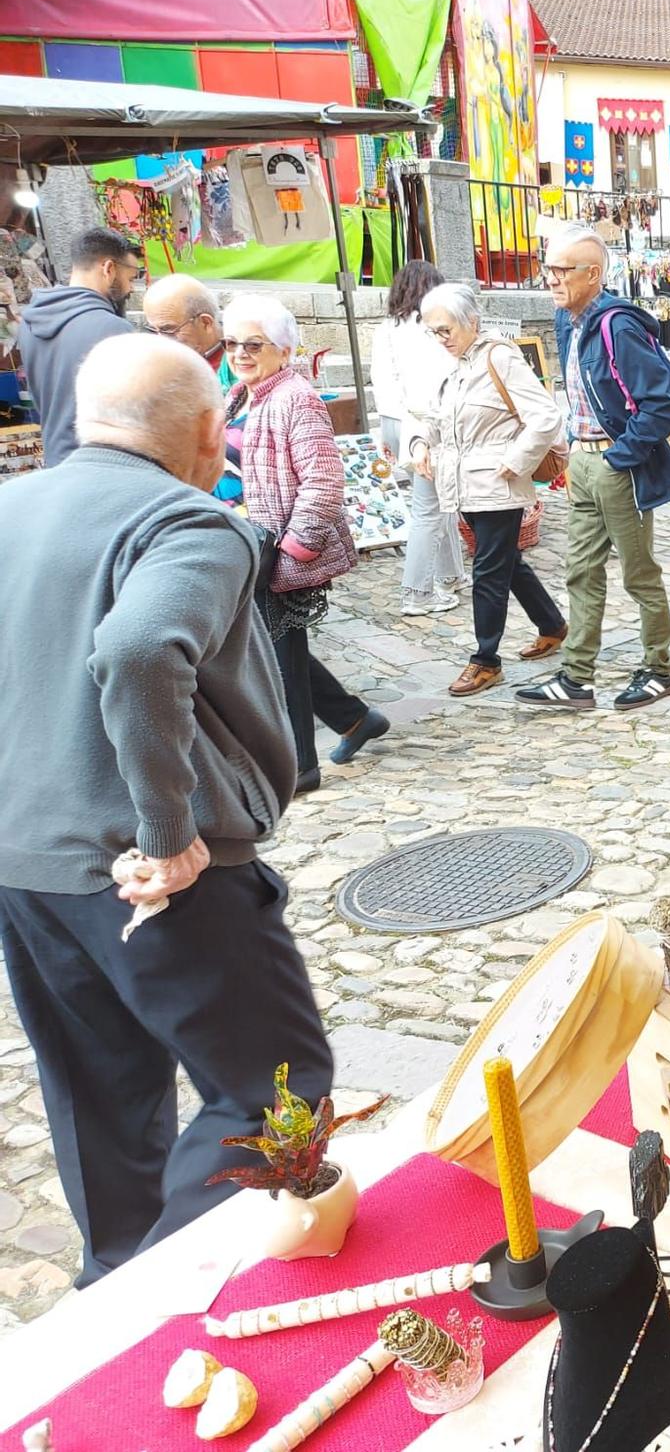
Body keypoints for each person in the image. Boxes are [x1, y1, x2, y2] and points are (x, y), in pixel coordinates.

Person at [0, 333, 332, 1286]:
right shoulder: (191, 520)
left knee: (99, 1097)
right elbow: (141, 649)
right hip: (150, 872)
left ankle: (113, 1287)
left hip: (28, 866)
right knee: (275, 1093)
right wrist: (169, 832)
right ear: (209, 431)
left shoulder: (13, 505)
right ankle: (160, 1293)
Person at [517, 224, 670, 712]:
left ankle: (658, 670)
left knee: (639, 574)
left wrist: (620, 455)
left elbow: (665, 404)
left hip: (617, 464)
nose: (551, 278)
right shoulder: (566, 319)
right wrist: (575, 449)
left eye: (562, 270)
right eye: (548, 268)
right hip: (584, 461)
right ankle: (577, 677)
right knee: (581, 570)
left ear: (593, 274)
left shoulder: (619, 326)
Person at [223, 293, 390, 790]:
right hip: (243, 543)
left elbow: (323, 479)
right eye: (232, 343)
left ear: (283, 349)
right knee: (274, 645)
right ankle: (354, 719)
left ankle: (300, 765)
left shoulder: (296, 398)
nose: (240, 353)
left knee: (278, 655)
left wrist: (296, 546)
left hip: (275, 547)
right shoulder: (241, 394)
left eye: (254, 344)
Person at [414, 282, 567, 698]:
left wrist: (516, 460)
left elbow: (545, 416)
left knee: (488, 571)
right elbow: (437, 417)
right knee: (503, 561)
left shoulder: (499, 357)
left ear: (471, 322)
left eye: (445, 330)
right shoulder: (457, 363)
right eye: (433, 331)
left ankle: (485, 660)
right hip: (465, 483)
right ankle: (552, 624)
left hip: (496, 484)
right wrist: (420, 443)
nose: (440, 339)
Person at [372, 259, 465, 616]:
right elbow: (435, 382)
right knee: (429, 509)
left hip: (393, 420)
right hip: (421, 422)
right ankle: (418, 593)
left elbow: (381, 380)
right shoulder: (428, 330)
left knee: (440, 501)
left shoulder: (387, 328)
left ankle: (450, 574)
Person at [18, 226, 142, 467]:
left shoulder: (30, 322)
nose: (131, 289)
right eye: (130, 278)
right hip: (102, 467)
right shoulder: (114, 329)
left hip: (55, 462)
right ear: (109, 269)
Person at [142, 272, 233, 388]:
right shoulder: (155, 363)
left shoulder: (240, 367)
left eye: (168, 330)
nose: (161, 341)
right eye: (153, 330)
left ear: (205, 323)